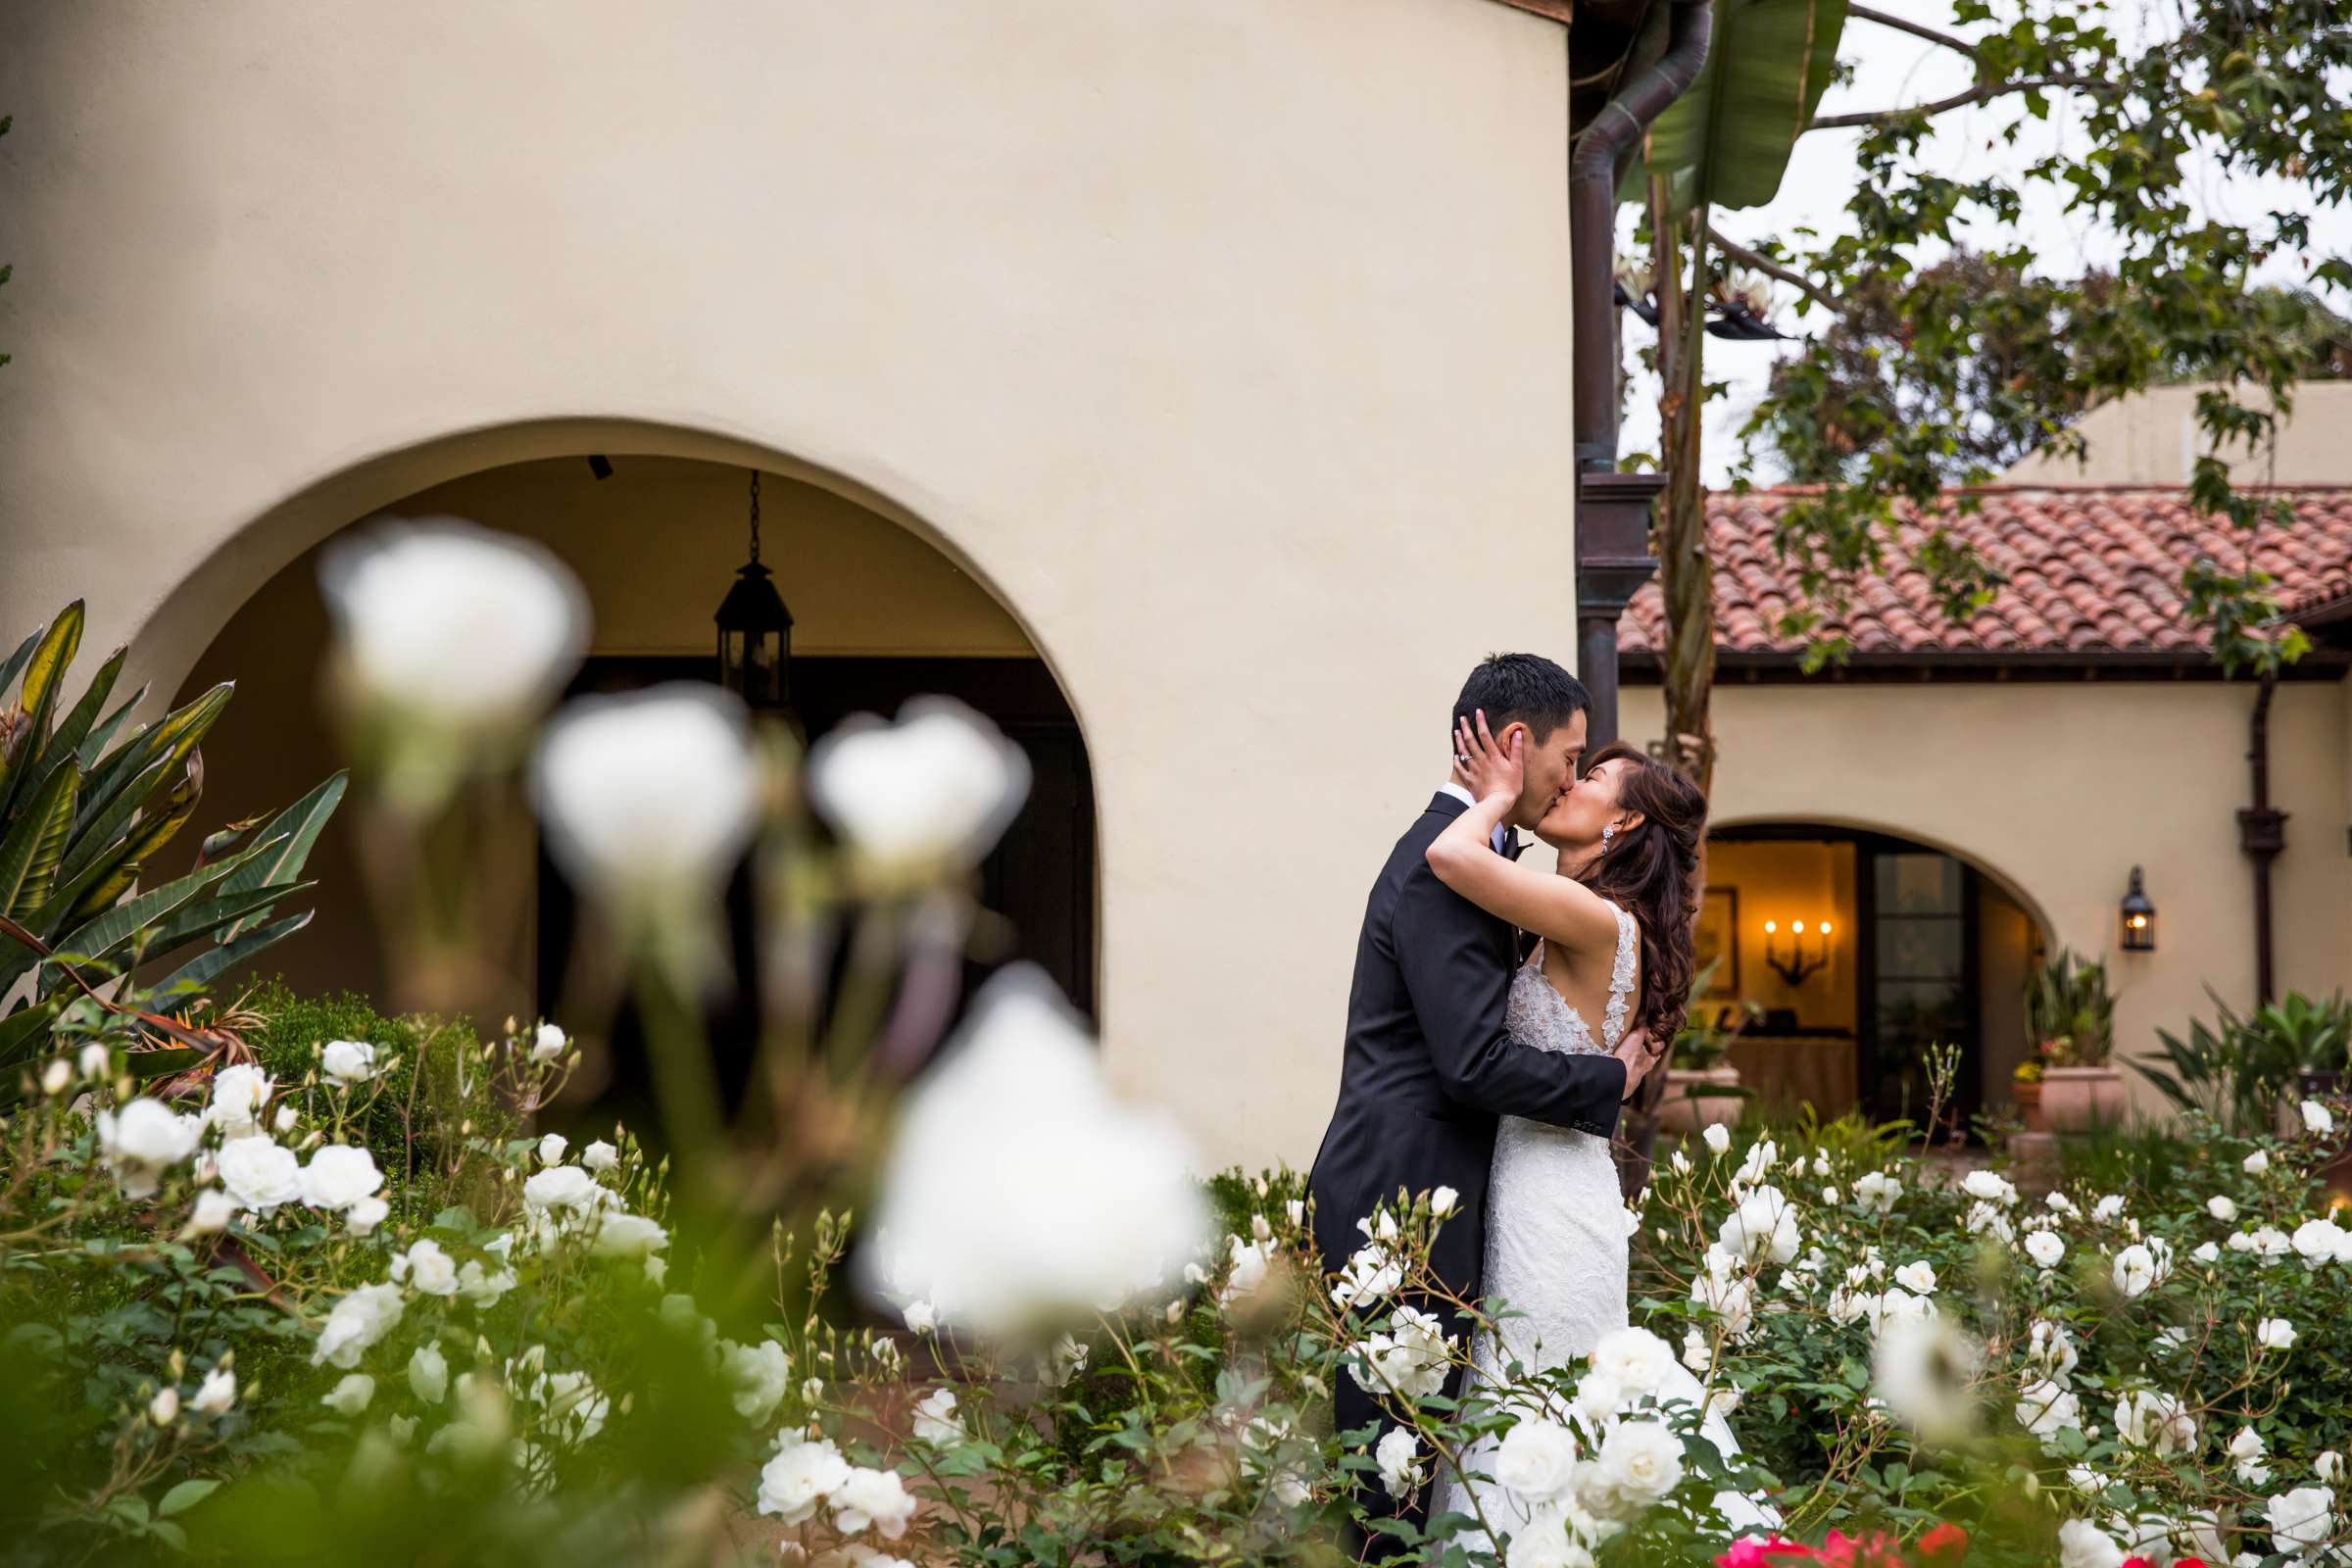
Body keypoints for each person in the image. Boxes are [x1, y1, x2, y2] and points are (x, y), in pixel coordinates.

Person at [1305, 654, 1657, 1536]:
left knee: (1435, 1463)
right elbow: (1471, 1064)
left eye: (1588, 770)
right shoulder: (1445, 862)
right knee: (1390, 1478)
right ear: (1515, 744)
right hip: (1401, 1193)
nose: (1570, 778)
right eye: (1568, 757)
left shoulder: (1490, 863)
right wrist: (1607, 1080)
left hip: (1474, 1199)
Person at [1426, 707, 1769, 1540]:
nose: (1567, 783)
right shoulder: (1576, 914)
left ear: (1623, 821)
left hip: (1551, 1203)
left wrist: (1496, 793)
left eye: (1589, 777)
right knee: (1531, 1404)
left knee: (1542, 1407)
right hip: (1539, 1185)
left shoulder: (1594, 920)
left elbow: (1447, 855)